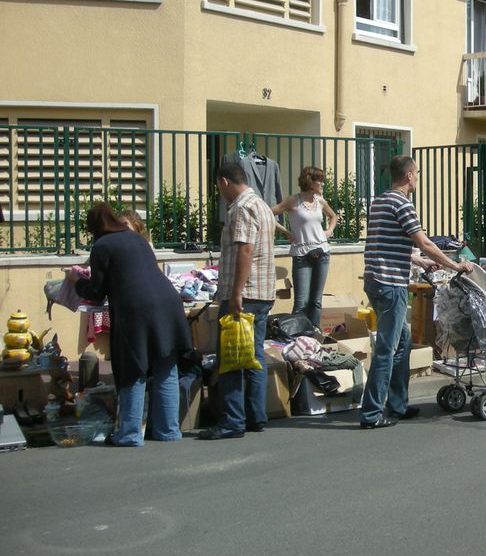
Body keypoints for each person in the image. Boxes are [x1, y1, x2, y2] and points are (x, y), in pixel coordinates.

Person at [360, 156, 473, 429]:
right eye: (418, 173)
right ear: (409, 176)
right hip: (391, 285)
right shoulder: (403, 204)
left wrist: (418, 260)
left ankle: (397, 404)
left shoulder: (380, 202)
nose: (418, 178)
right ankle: (371, 413)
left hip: (375, 280)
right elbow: (424, 241)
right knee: (387, 349)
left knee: (402, 341)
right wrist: (455, 264)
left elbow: (386, 243)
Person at [69, 203, 189, 446]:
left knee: (134, 368)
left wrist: (75, 281)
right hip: (168, 304)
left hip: (136, 310)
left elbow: (95, 292)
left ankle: (130, 434)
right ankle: (169, 431)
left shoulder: (102, 245)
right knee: (165, 364)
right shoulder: (137, 240)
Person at [199, 162, 277, 440]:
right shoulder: (263, 206)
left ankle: (233, 420)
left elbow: (245, 249)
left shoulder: (242, 208)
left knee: (231, 357)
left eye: (219, 187)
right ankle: (256, 416)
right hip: (263, 292)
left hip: (246, 294)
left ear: (223, 182)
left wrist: (236, 293)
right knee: (254, 355)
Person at [272, 166, 338, 328]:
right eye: (319, 180)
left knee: (316, 301)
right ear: (310, 181)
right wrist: (286, 232)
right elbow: (267, 213)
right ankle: (296, 336)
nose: (322, 184)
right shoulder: (292, 200)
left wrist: (329, 231)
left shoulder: (320, 201)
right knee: (302, 302)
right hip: (301, 253)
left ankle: (312, 335)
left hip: (322, 252)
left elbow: (333, 216)